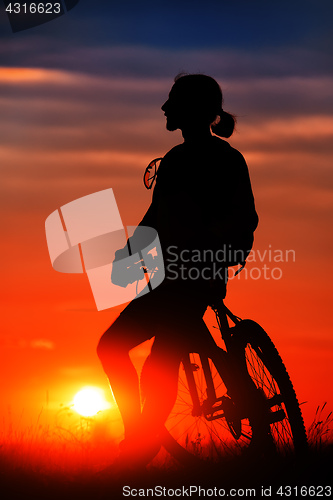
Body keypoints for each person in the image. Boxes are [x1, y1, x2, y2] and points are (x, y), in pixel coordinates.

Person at [97, 74, 258, 467]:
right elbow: (159, 218)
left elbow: (236, 217)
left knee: (138, 354)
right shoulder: (193, 158)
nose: (165, 109)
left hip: (188, 278)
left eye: (172, 101)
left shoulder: (205, 159)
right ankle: (141, 435)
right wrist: (130, 251)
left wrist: (136, 252)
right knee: (144, 353)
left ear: (191, 110)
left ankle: (140, 440)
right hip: (178, 276)